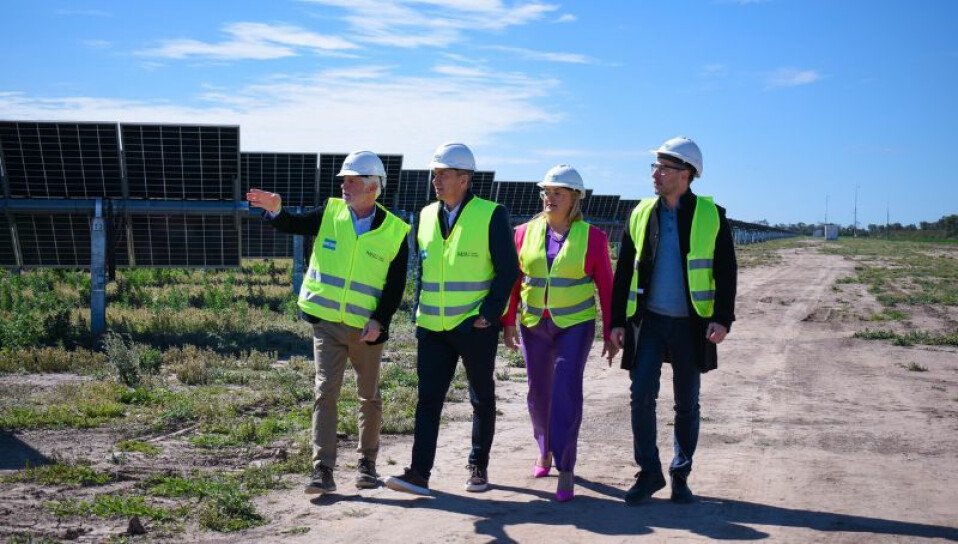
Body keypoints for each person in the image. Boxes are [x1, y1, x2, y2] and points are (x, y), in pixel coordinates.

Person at [246, 150, 410, 495]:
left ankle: (367, 465)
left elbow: (395, 285)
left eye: (351, 181)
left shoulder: (395, 231)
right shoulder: (330, 212)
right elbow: (293, 224)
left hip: (367, 330)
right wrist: (276, 210)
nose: (343, 186)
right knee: (325, 393)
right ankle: (322, 469)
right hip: (328, 324)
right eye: (343, 180)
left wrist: (380, 320)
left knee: (368, 397)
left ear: (373, 187)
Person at [385, 142, 520, 496]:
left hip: (474, 325)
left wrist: (488, 314)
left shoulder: (491, 214)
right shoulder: (426, 214)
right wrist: (418, 310)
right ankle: (419, 473)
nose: (436, 180)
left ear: (464, 179)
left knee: (481, 397)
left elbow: (508, 269)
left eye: (443, 174)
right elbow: (424, 268)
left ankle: (478, 466)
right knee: (428, 400)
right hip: (432, 327)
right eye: (435, 173)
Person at [609, 137, 737, 505]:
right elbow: (624, 270)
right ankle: (649, 472)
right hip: (647, 323)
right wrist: (617, 320)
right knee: (640, 397)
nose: (656, 173)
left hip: (690, 324)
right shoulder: (640, 213)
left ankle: (681, 475)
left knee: (687, 403)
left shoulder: (711, 215)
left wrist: (723, 318)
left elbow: (726, 270)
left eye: (664, 168)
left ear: (686, 175)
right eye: (655, 166)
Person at [501, 164, 616, 502]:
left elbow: (606, 287)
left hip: (575, 325)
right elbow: (514, 281)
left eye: (558, 193)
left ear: (574, 198)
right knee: (537, 393)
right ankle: (544, 450)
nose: (550, 198)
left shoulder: (593, 237)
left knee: (566, 391)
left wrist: (611, 331)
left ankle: (566, 466)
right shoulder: (523, 233)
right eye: (547, 192)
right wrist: (508, 321)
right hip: (533, 324)